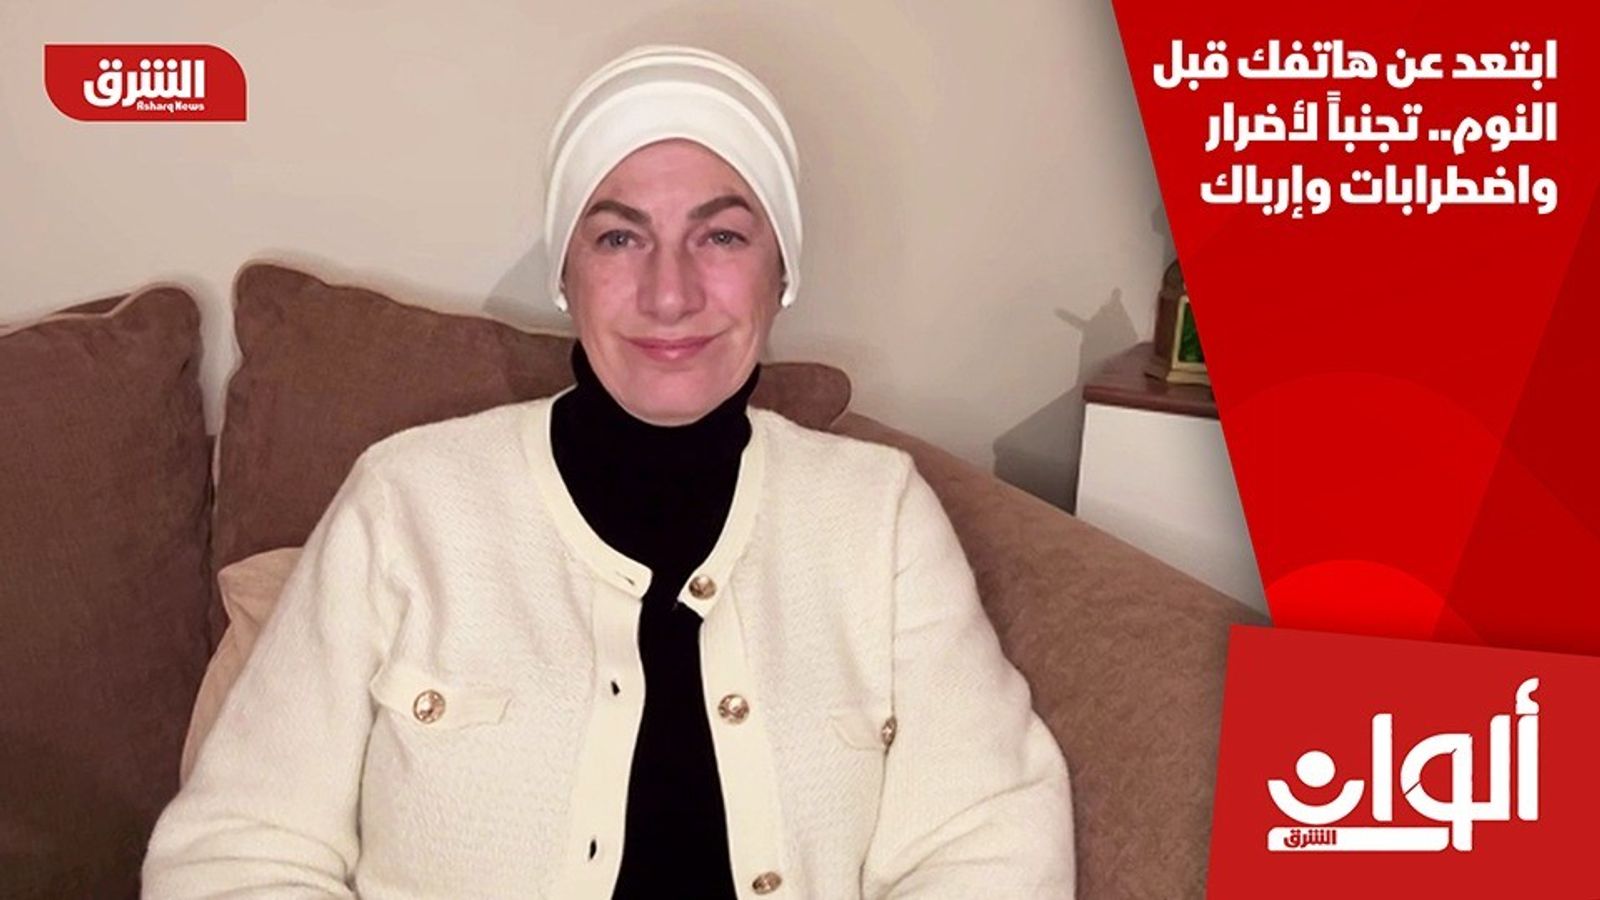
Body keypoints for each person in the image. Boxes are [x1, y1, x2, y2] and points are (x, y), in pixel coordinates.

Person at [142, 44, 1074, 898]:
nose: (670, 294)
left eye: (722, 236)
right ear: (567, 276)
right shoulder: (406, 502)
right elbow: (234, 854)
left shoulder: (877, 517)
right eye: (619, 238)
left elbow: (989, 840)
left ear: (781, 272)